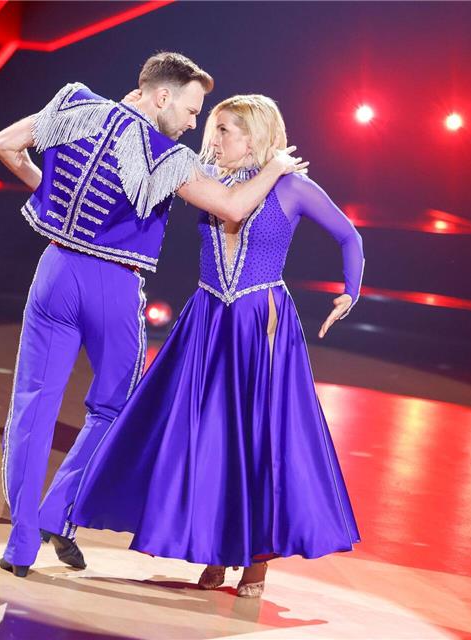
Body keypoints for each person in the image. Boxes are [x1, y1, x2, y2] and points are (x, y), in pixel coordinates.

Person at [0, 53, 307, 577]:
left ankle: (20, 544)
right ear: (162, 96)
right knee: (115, 409)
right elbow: (230, 208)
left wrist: (49, 193)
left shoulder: (74, 105)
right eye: (189, 108)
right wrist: (274, 168)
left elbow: (4, 144)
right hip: (112, 284)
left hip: (53, 271)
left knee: (31, 407)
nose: (190, 123)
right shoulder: (165, 154)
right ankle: (58, 510)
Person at [69, 94, 364, 598]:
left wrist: (349, 291)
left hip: (259, 322)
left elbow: (348, 236)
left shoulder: (294, 187)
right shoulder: (205, 182)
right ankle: (214, 548)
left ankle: (255, 560)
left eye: (225, 130)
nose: (213, 138)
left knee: (260, 438)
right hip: (207, 317)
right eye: (213, 128)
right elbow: (224, 204)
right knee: (204, 437)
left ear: (253, 135)